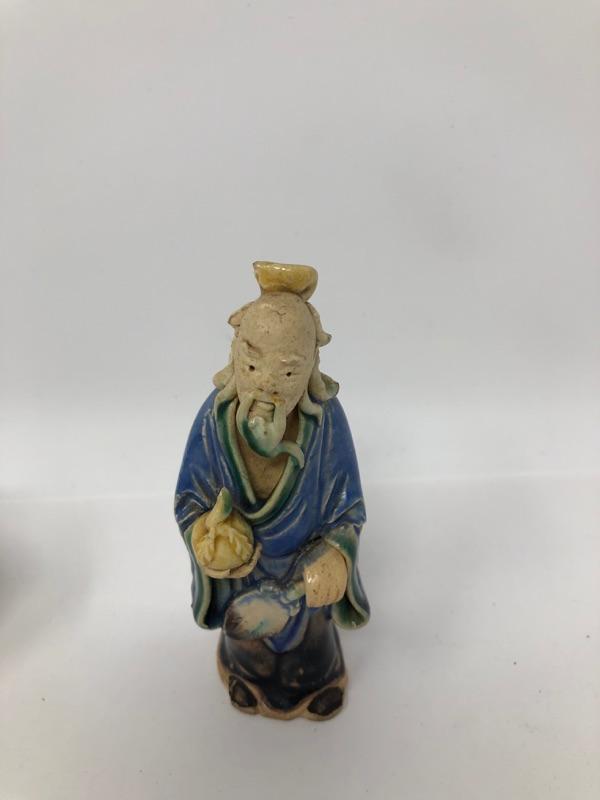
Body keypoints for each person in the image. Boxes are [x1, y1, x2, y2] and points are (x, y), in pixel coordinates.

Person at [174, 261, 369, 720]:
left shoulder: (325, 423)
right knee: (248, 637)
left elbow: (349, 507)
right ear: (233, 356)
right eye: (251, 363)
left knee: (311, 643)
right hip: (244, 571)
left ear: (312, 369)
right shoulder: (214, 422)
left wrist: (336, 554)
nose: (265, 383)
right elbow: (189, 498)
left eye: (287, 373)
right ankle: (246, 674)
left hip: (304, 570)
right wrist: (207, 536)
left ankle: (317, 680)